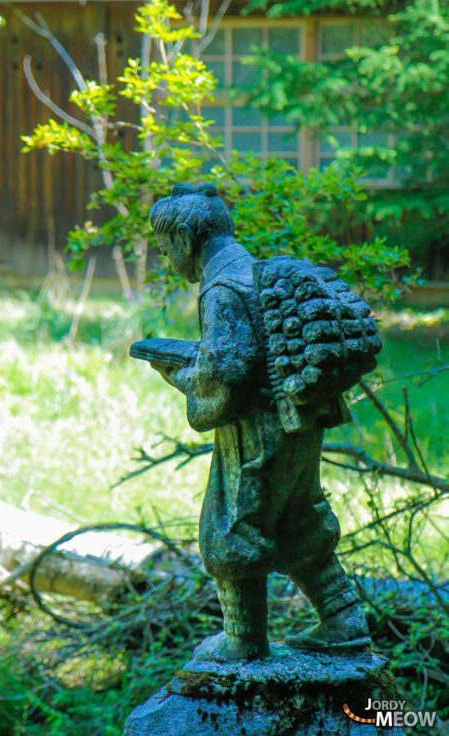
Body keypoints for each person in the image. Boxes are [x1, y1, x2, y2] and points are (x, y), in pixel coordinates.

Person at [147, 182, 371, 663]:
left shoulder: (221, 286)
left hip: (256, 437)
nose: (165, 258)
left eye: (165, 248)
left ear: (185, 240)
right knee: (297, 517)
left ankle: (244, 640)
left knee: (230, 526)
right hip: (297, 421)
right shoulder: (249, 270)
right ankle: (344, 621)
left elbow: (227, 372)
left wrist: (180, 374)